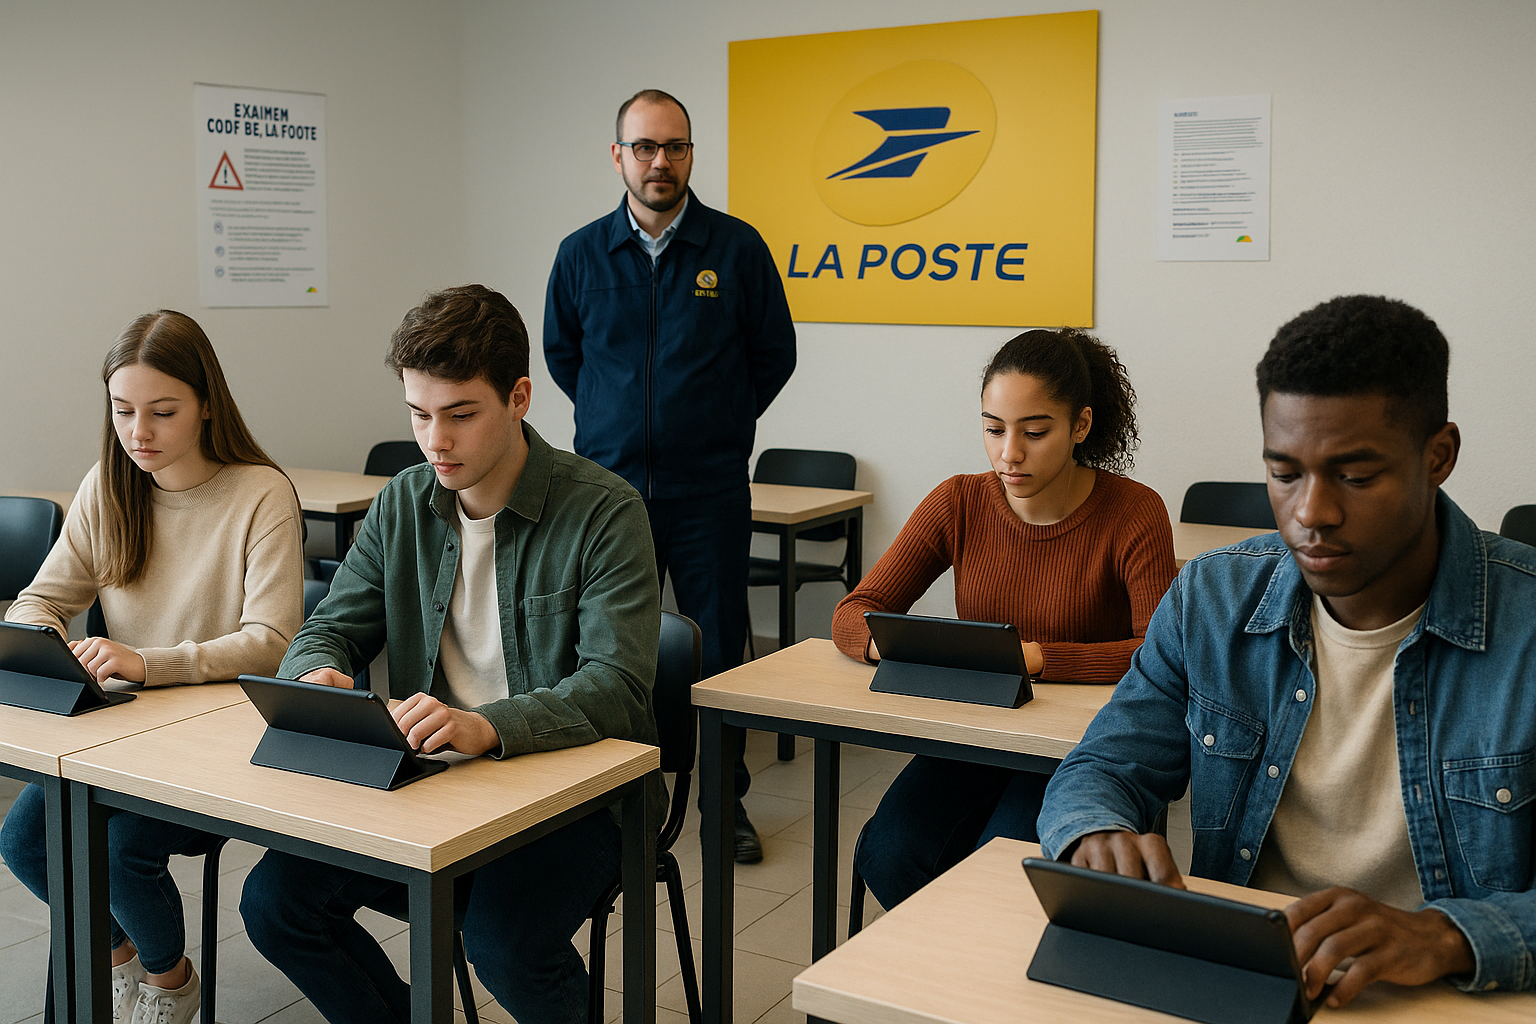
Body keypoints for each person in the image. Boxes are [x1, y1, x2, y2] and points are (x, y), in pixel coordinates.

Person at [1038, 294, 1536, 1005]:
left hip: (1445, 999)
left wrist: (1446, 936)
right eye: (1284, 473)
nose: (1311, 513)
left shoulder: (1527, 626)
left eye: (1356, 477)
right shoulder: (1211, 599)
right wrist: (1097, 831)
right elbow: (1107, 762)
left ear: (1438, 457)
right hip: (1251, 985)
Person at [238, 284, 663, 1024]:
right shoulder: (402, 501)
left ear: (520, 397)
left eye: (461, 415)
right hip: (435, 788)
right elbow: (329, 626)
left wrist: (489, 725)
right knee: (275, 903)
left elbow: (618, 687)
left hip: (580, 800)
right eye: (418, 414)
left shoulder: (605, 511)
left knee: (501, 941)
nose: (435, 440)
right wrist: (318, 672)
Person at [0, 310, 304, 1024]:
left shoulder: (259, 492)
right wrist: (43, 637)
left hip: (216, 741)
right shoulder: (109, 485)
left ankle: (170, 982)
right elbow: (40, 599)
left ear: (205, 404)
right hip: (123, 734)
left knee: (112, 848)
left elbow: (273, 641)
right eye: (123, 411)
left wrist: (147, 661)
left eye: (162, 412)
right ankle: (120, 960)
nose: (139, 432)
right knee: (23, 843)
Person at [832, 328, 1177, 910]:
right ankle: (954, 980)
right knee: (890, 853)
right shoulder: (959, 501)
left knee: (1007, 866)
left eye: (1034, 432)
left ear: (1081, 427)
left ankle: (989, 975)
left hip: (1084, 746)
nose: (1008, 454)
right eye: (993, 430)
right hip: (981, 735)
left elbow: (1162, 654)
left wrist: (1038, 658)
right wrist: (893, 645)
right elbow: (854, 611)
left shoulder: (1134, 511)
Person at [544, 87, 796, 863]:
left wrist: (713, 422)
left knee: (718, 650)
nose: (661, 161)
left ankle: (726, 804)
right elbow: (563, 357)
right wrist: (618, 424)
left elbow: (773, 356)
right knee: (611, 648)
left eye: (675, 147)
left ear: (691, 154)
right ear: (617, 155)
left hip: (709, 490)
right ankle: (618, 801)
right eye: (645, 147)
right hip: (607, 492)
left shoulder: (736, 248)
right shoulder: (582, 254)